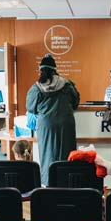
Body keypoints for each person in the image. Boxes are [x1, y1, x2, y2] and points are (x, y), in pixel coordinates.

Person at [26, 53, 80, 185]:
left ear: (41, 70)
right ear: (55, 69)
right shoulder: (67, 84)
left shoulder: (36, 87)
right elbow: (76, 102)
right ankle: (67, 182)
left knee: (47, 155)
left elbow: (30, 107)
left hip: (46, 125)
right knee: (67, 153)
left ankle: (49, 183)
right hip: (66, 123)